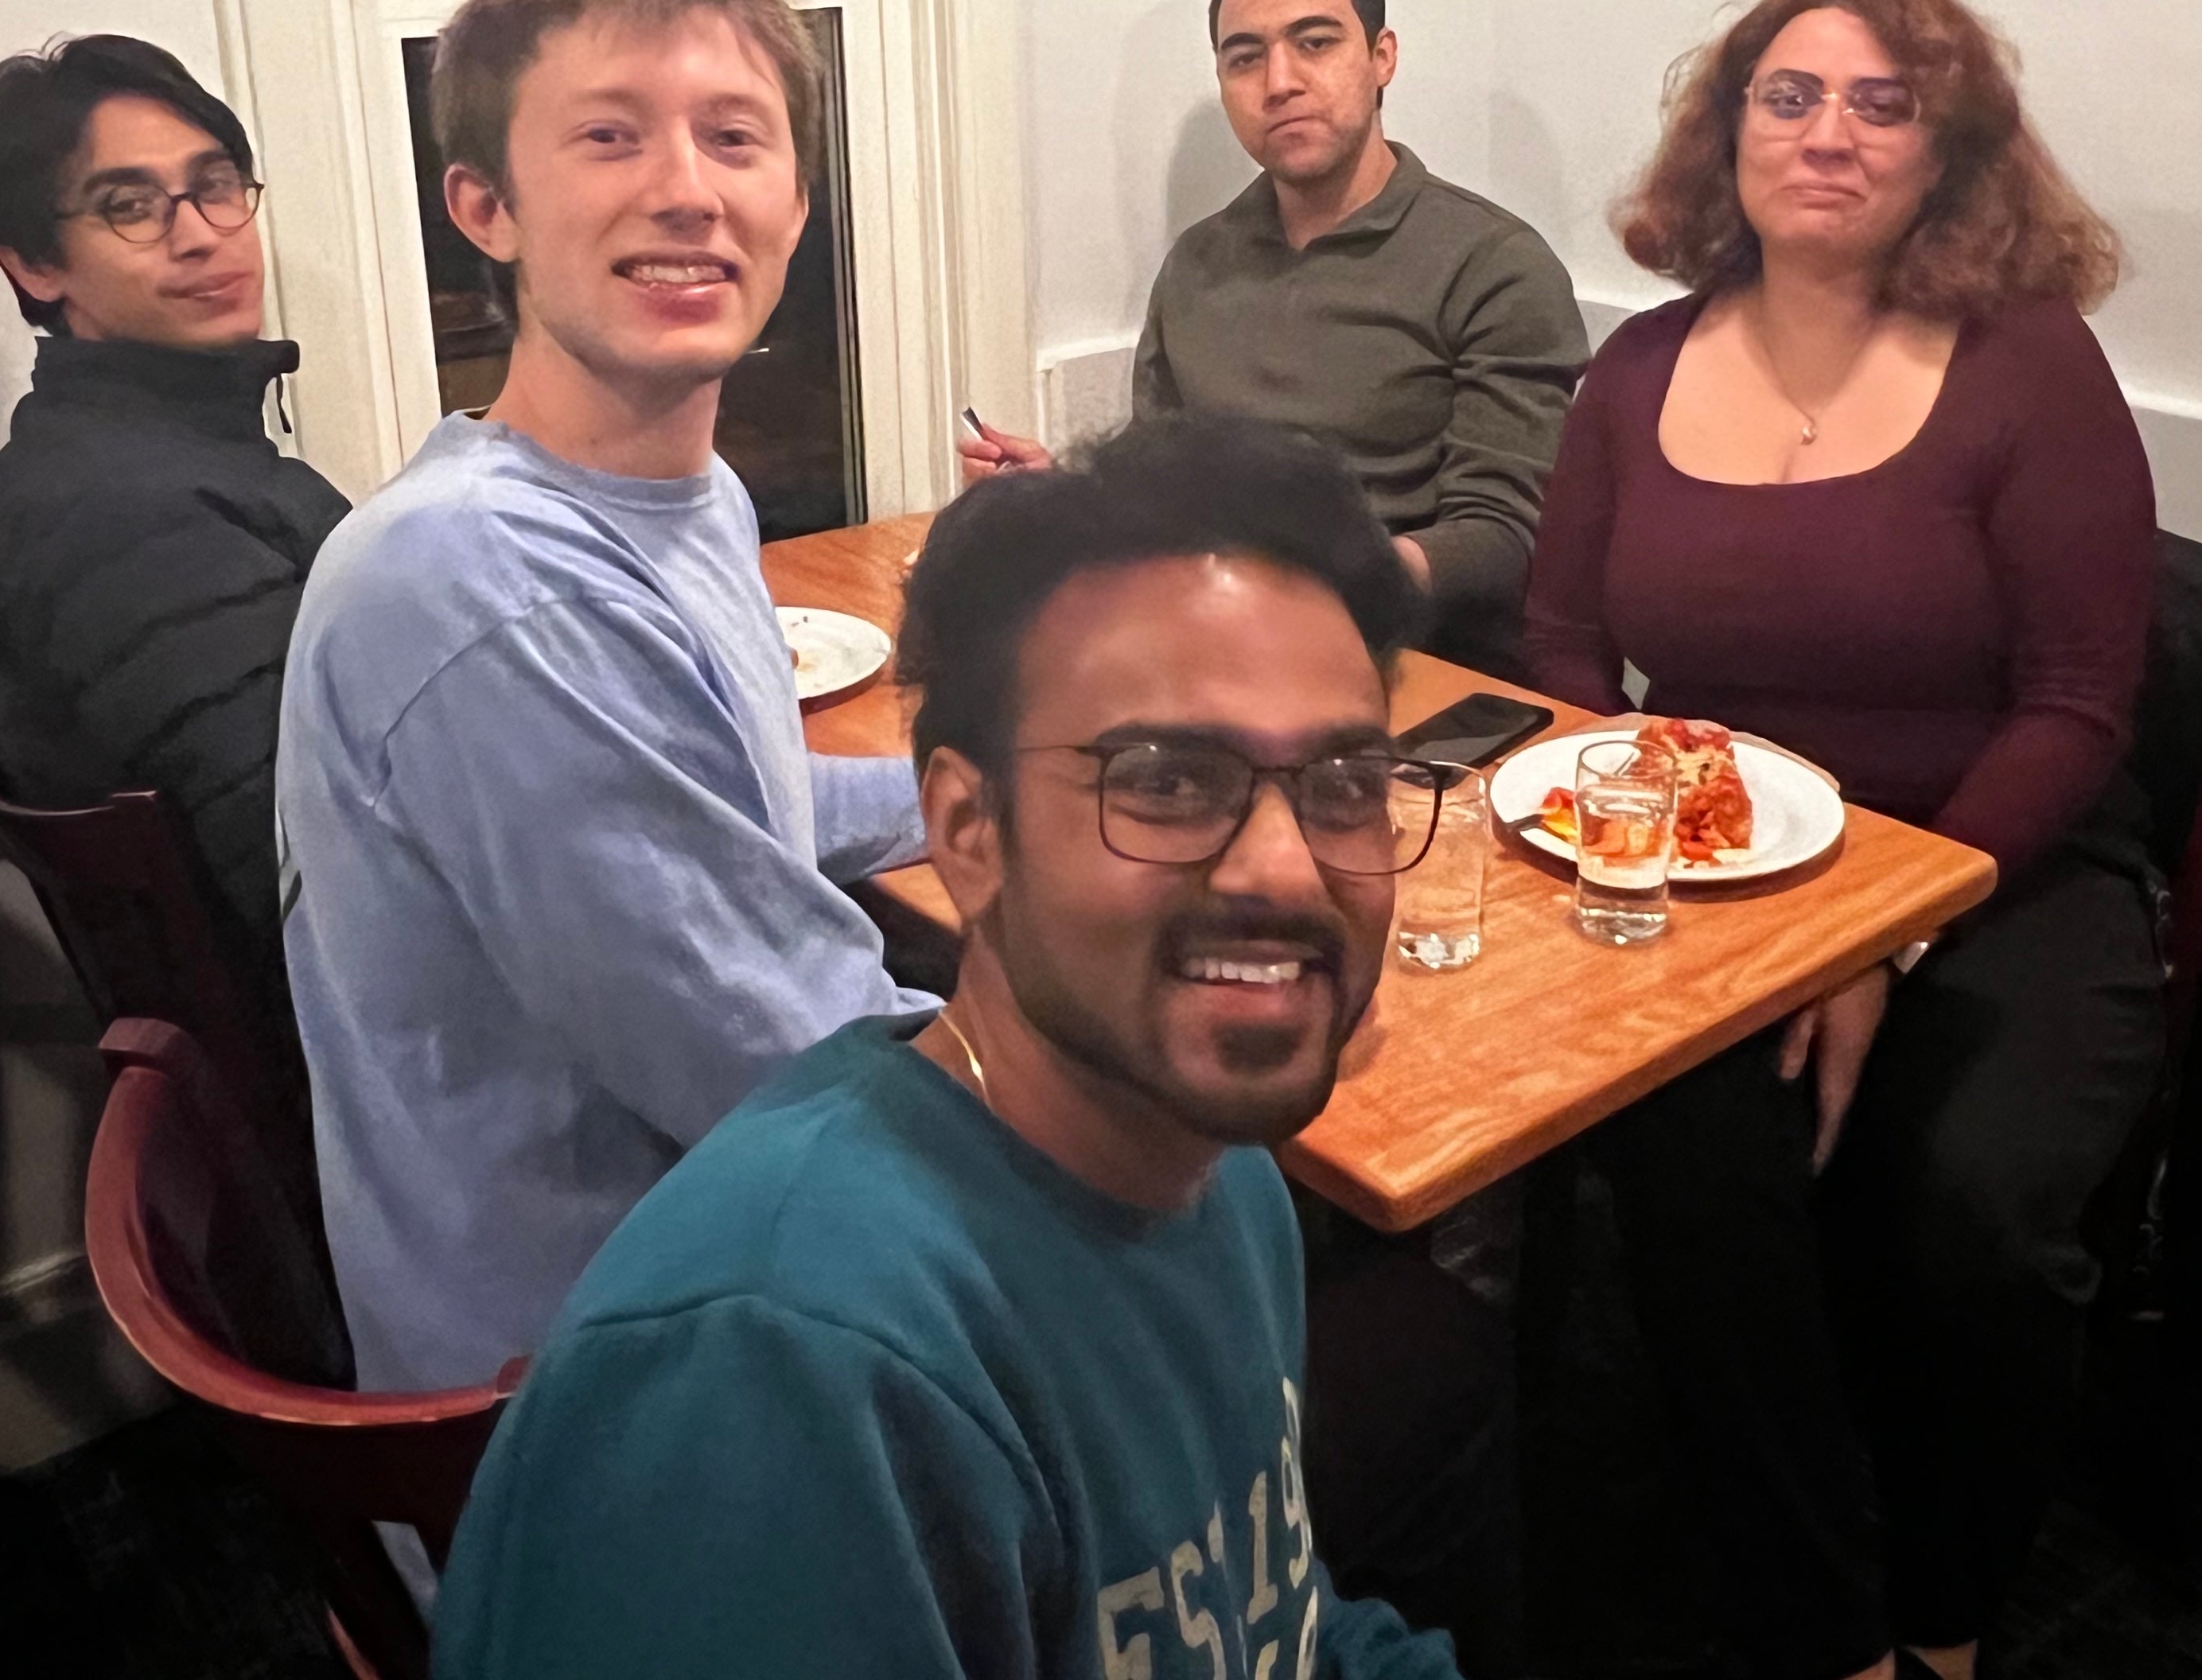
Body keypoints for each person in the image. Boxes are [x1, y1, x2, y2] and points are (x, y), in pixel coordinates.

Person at [436, 414, 1462, 1680]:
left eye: (1346, 786)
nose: (1282, 866)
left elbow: (1285, 1631)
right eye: (1167, 782)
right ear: (967, 832)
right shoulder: (782, 1379)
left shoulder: (1218, 1168)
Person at [1519, 0, 2160, 1680]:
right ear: (1727, 136)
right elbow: (1569, 644)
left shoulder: (2028, 369)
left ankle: (1946, 1623)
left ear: (1950, 150)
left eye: (1885, 103)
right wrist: (1630, 807)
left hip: (2000, 863)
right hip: (1723, 862)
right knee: (1690, 1154)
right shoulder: (1637, 371)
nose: (1827, 135)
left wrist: (1883, 927)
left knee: (1979, 1214)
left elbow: (2080, 707)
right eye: (1788, 96)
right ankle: (1829, 1631)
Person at [276, 0, 926, 1410]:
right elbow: (811, 1078)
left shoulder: (687, 497)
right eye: (610, 136)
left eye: (734, 136)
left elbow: (733, 804)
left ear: (796, 203)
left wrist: (997, 795)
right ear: (484, 205)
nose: (685, 189)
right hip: (612, 1397)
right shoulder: (479, 581)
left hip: (720, 1270)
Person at [961, 0, 1585, 671]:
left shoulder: (1494, 265)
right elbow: (1161, 478)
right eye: (1246, 57)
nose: (1279, 81)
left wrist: (1325, 580)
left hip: (1416, 674)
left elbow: (1504, 535)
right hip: (1211, 652)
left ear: (1382, 56)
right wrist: (1066, 496)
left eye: (1315, 43)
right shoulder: (1199, 261)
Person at [0, 35, 348, 1020]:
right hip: (367, 1088)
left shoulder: (145, 452)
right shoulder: (126, 523)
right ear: (35, 264)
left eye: (216, 185)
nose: (202, 234)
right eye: (130, 207)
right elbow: (314, 887)